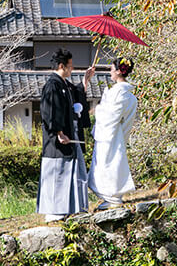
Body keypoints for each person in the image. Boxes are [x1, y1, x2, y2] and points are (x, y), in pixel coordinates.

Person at [37, 48, 92, 222]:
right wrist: (59, 132)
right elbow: (50, 111)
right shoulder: (53, 85)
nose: (72, 68)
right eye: (70, 65)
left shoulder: (63, 84)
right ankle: (53, 210)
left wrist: (85, 81)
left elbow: (76, 93)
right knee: (57, 174)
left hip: (69, 136)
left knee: (69, 173)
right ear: (62, 66)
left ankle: (68, 208)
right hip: (57, 141)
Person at [88, 56, 138, 209]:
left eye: (111, 69)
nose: (110, 72)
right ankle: (110, 197)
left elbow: (111, 116)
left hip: (110, 134)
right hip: (115, 134)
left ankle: (112, 197)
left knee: (108, 163)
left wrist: (99, 108)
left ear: (118, 71)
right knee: (111, 163)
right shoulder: (127, 94)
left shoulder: (119, 92)